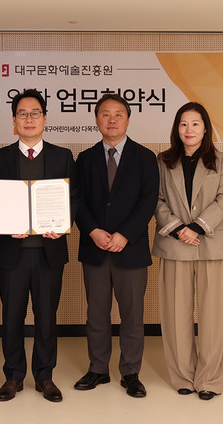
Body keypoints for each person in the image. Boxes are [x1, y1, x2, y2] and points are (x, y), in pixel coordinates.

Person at [0, 89, 77, 403]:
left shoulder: (62, 156)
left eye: (35, 113)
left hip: (48, 252)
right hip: (11, 253)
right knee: (11, 317)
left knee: (46, 317)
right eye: (22, 114)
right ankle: (13, 375)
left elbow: (74, 198)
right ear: (14, 121)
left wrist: (62, 225)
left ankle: (44, 376)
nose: (29, 119)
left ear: (45, 118)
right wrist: (3, 222)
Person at [73, 94, 158, 398]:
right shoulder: (84, 159)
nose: (112, 120)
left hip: (130, 249)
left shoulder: (145, 157)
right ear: (97, 120)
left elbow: (149, 200)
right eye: (105, 114)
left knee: (132, 316)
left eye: (118, 114)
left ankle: (131, 373)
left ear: (128, 119)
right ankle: (98, 369)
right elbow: (77, 200)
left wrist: (125, 234)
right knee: (96, 314)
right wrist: (93, 231)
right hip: (95, 248)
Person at [152, 102, 223, 401]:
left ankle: (209, 379)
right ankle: (183, 376)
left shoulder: (221, 160)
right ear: (177, 128)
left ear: (205, 128)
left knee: (214, 316)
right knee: (176, 314)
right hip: (175, 244)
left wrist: (197, 227)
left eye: (195, 124)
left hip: (212, 244)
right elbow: (156, 199)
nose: (189, 129)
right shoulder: (163, 161)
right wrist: (178, 228)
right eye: (183, 124)